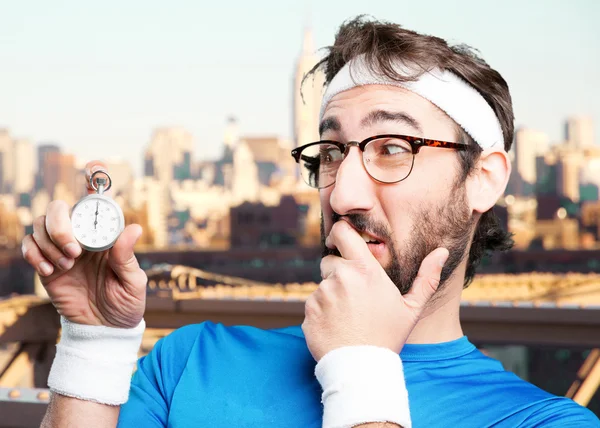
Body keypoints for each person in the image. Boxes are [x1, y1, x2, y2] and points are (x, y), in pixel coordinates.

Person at [22, 16, 599, 428]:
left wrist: (362, 375)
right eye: (329, 153)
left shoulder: (537, 421)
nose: (342, 193)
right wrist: (93, 344)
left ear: (484, 179)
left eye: (392, 148)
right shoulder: (190, 360)